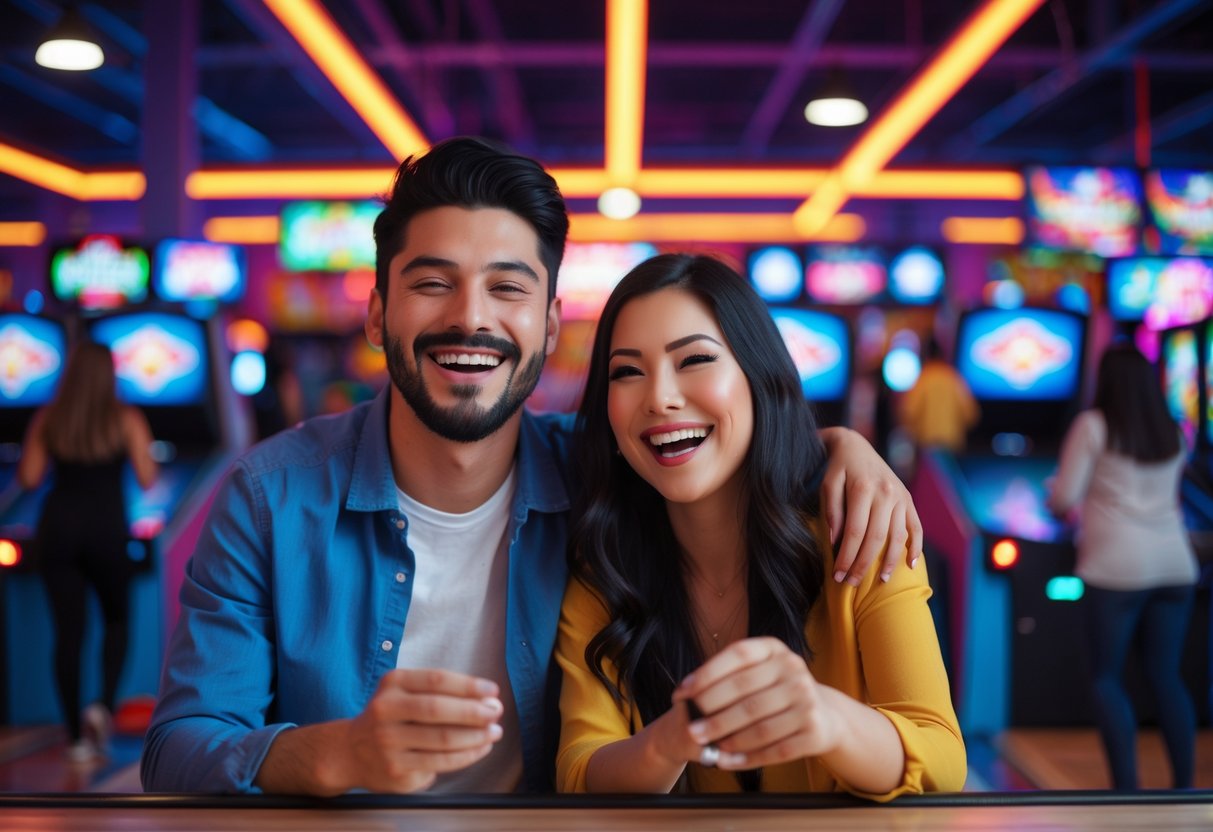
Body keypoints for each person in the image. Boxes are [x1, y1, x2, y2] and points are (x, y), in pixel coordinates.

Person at [141, 136, 925, 795]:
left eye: (506, 288)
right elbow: (177, 750)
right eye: (431, 283)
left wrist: (837, 449)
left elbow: (714, 450)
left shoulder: (601, 476)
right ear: (379, 312)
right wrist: (340, 753)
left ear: (550, 326)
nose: (470, 317)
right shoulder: (269, 495)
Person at [555, 254, 964, 796]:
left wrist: (827, 720)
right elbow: (579, 772)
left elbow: (941, 757)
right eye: (627, 371)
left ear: (757, 375)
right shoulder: (608, 563)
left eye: (695, 359)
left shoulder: (861, 530)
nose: (659, 398)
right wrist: (672, 738)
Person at [1047, 344, 1198, 790]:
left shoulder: (1094, 425)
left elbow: (1062, 501)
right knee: (1166, 676)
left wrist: (1054, 493)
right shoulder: (1173, 429)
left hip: (1116, 567)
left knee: (1107, 679)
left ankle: (1127, 791)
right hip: (1176, 565)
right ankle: (1186, 788)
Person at [17, 341, 159, 763]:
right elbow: (148, 477)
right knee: (117, 622)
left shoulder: (50, 418)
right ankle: (103, 706)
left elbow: (27, 477)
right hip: (107, 530)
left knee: (68, 635)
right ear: (110, 374)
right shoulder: (125, 418)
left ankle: (76, 739)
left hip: (58, 530)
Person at [898, 336, 979, 454]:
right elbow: (971, 414)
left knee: (931, 473)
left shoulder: (923, 379)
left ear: (925, 355)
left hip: (928, 444)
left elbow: (909, 412)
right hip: (953, 444)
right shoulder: (953, 378)